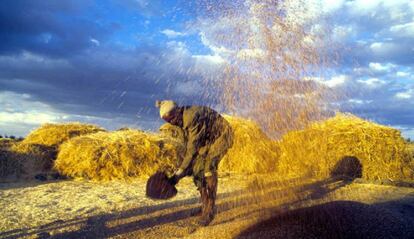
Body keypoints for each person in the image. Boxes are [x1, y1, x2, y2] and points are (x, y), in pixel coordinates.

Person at [155, 100, 234, 226]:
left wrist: (179, 173)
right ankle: (204, 205)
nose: (173, 122)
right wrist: (178, 174)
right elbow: (188, 150)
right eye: (169, 121)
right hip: (208, 140)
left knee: (209, 167)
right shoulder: (178, 124)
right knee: (197, 170)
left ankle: (210, 209)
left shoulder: (192, 116)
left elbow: (192, 149)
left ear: (177, 111)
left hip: (222, 135)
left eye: (172, 118)